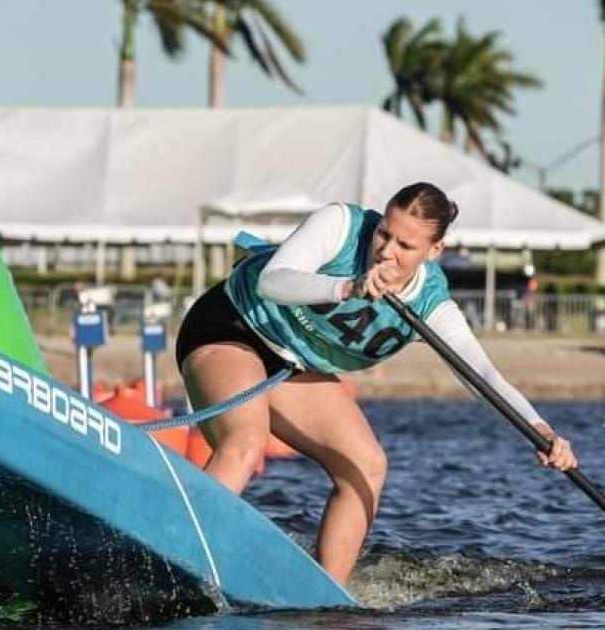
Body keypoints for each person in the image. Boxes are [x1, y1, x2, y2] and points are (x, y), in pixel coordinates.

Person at [175, 182, 577, 585]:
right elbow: (272, 281)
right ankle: (177, 555)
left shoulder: (431, 304)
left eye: (406, 246)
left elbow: (484, 377)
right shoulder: (340, 225)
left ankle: (326, 595)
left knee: (366, 465)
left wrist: (538, 429)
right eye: (385, 233)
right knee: (246, 440)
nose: (386, 251)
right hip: (232, 327)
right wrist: (345, 287)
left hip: (292, 365)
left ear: (434, 250)